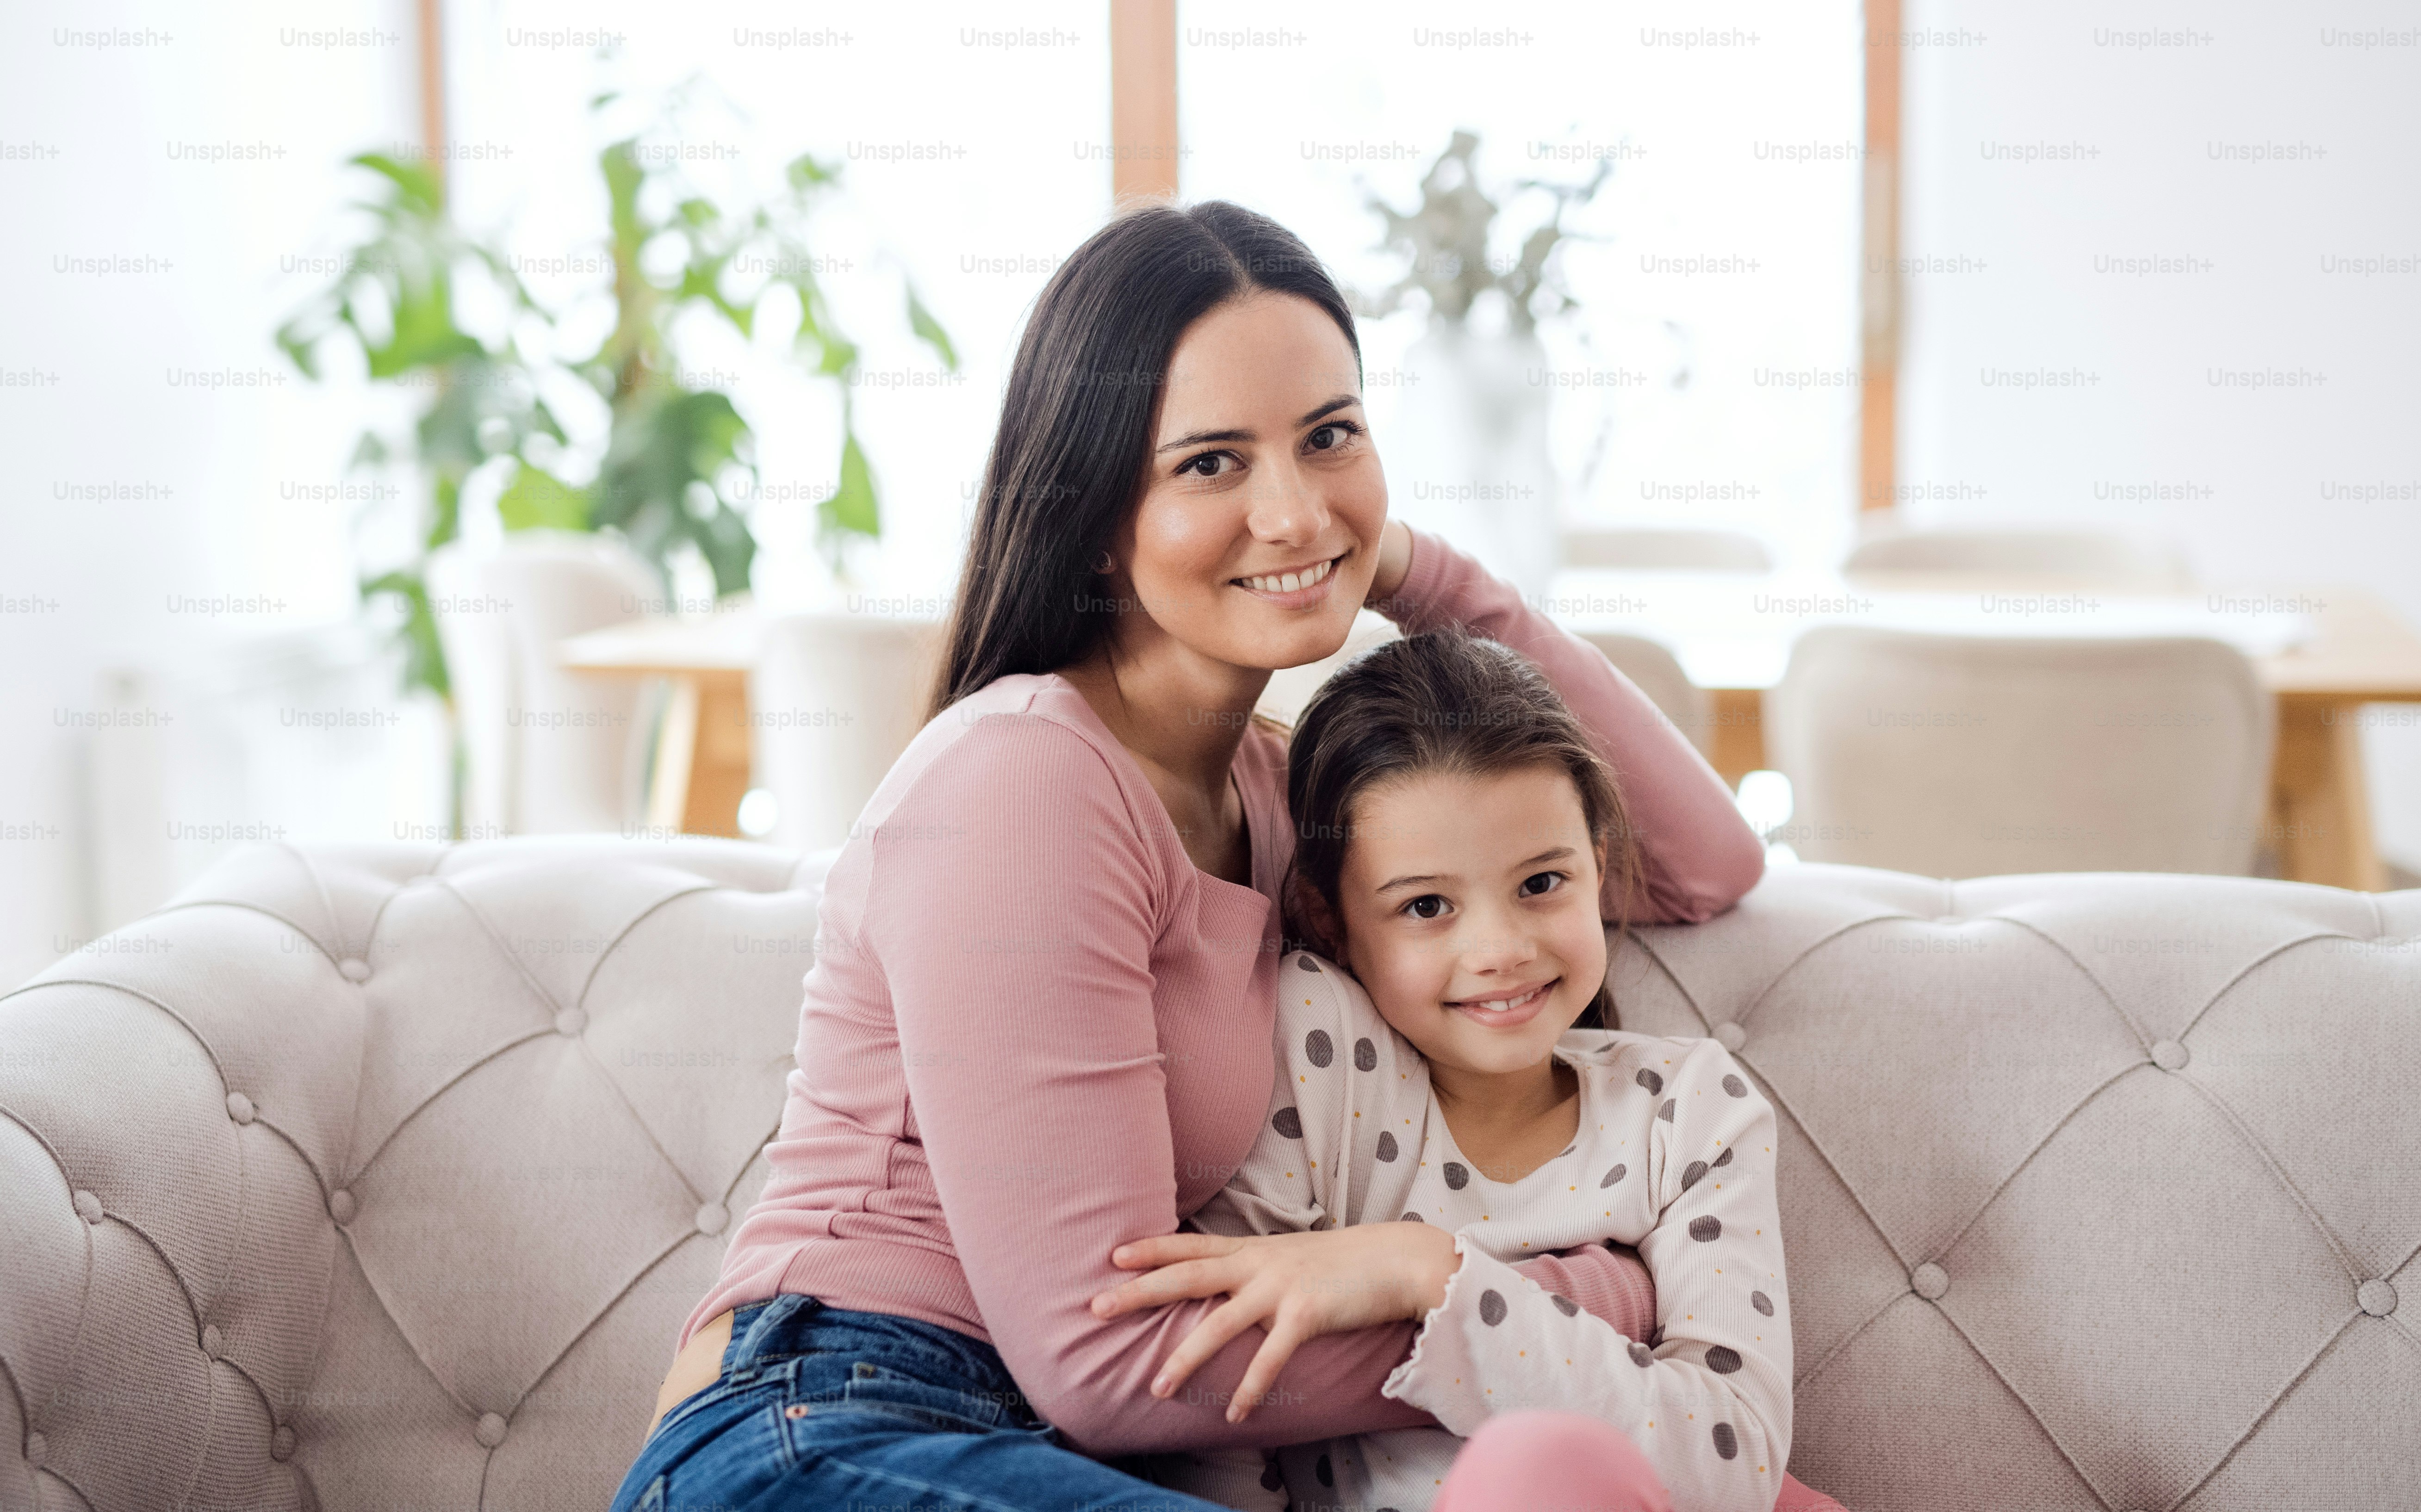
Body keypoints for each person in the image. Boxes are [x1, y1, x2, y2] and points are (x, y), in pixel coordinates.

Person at [607, 201, 1765, 1512]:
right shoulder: (1023, 776)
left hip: (1056, 1456)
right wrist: (1547, 1298)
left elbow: (1696, 862)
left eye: (1329, 437)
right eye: (1213, 463)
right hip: (841, 1414)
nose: (1287, 508)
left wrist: (1401, 564)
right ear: (1100, 511)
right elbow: (1106, 1361)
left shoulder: (1278, 791)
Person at [1117, 630, 1845, 1512]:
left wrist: (1429, 1274)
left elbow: (1733, 1466)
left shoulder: (1687, 1107)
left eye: (1542, 884)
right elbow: (1222, 1395)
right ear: (1330, 917)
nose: (1500, 950)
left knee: (1540, 1471)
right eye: (1426, 906)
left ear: (1598, 869)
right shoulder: (1315, 1052)